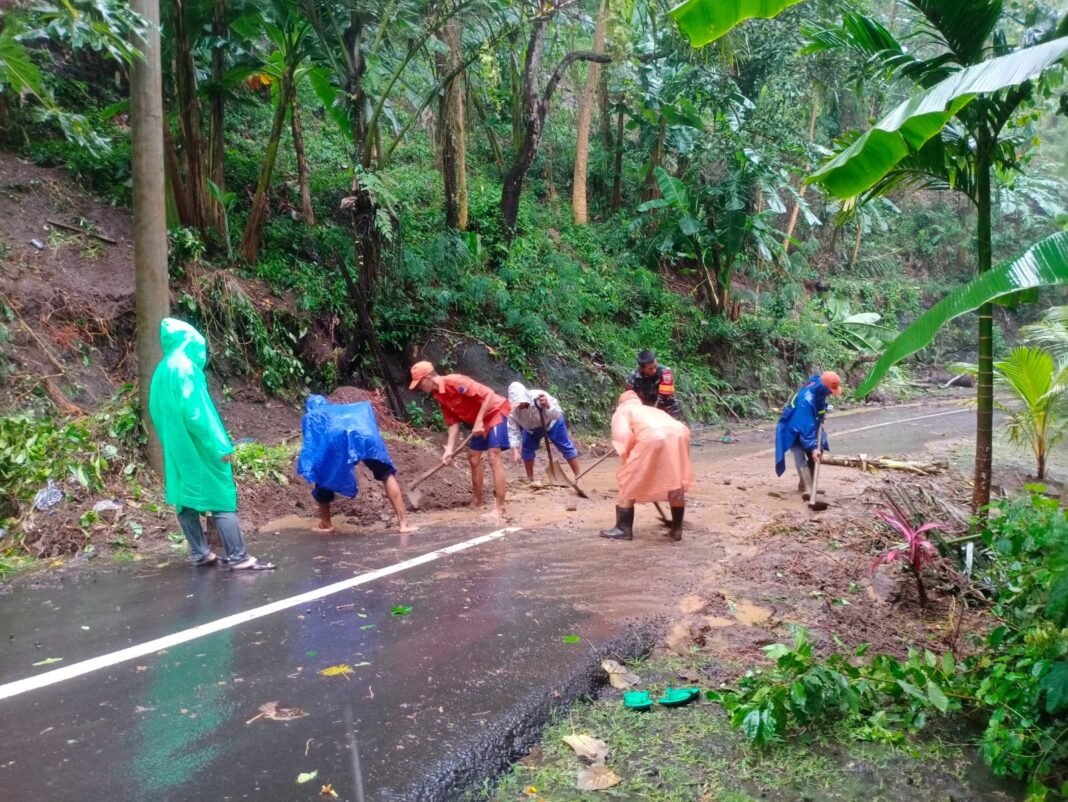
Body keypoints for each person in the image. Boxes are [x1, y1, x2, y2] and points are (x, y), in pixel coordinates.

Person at [148, 318, 276, 571]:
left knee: (185, 497)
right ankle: (239, 557)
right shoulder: (185, 368)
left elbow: (155, 409)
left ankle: (199, 553)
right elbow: (197, 413)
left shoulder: (162, 369)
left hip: (176, 446)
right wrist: (220, 446)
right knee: (221, 497)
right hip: (200, 446)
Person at [297, 395, 416, 534]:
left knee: (323, 477)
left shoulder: (311, 417)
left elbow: (312, 447)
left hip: (337, 441)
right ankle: (403, 524)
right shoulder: (344, 409)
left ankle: (326, 524)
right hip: (365, 435)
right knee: (386, 473)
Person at [410, 361, 511, 518]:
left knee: (493, 456)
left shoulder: (456, 381)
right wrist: (449, 450)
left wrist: (478, 422)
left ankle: (500, 507)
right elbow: (453, 424)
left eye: (420, 383)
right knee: (473, 457)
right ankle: (477, 501)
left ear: (428, 377)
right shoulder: (439, 396)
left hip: (495, 412)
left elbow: (489, 394)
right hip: (480, 420)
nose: (419, 387)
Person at [600, 390, 693, 542]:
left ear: (620, 403)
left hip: (653, 436)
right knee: (675, 479)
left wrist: (627, 460)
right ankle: (677, 529)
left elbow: (624, 438)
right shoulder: (651, 409)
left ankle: (623, 529)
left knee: (628, 478)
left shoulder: (623, 411)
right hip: (679, 434)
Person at [774, 371, 843, 498]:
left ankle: (807, 485)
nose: (830, 393)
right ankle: (808, 487)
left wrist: (821, 417)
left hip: (809, 424)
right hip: (793, 427)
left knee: (817, 454)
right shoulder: (806, 400)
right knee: (800, 455)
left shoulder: (818, 386)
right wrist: (813, 447)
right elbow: (805, 428)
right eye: (830, 390)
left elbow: (819, 409)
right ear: (824, 387)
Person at [506, 381, 581, 482]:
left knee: (566, 447)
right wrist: (515, 450)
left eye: (520, 403)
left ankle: (578, 476)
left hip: (552, 423)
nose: (519, 406)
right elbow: (512, 430)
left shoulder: (540, 397)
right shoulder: (512, 411)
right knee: (527, 451)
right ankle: (530, 479)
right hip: (531, 429)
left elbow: (557, 415)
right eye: (516, 404)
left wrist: (548, 406)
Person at [626, 349, 682, 420]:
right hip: (643, 410)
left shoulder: (665, 373)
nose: (654, 370)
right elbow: (630, 398)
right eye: (650, 369)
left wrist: (655, 416)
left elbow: (666, 399)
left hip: (668, 409)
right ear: (641, 368)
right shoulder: (633, 377)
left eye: (655, 366)